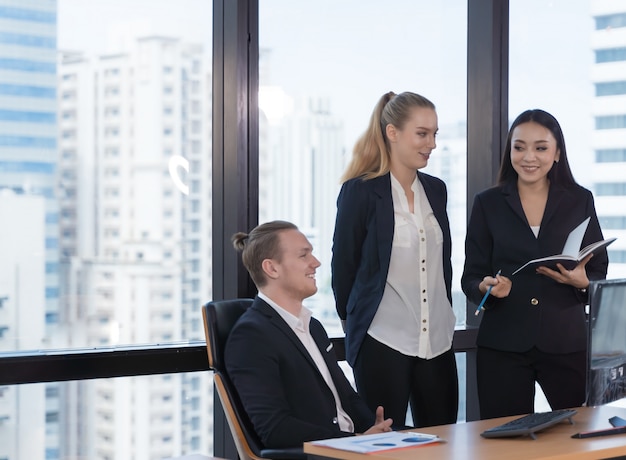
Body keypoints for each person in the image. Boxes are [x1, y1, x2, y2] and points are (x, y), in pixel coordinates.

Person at [461, 109, 609, 420]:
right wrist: (486, 287)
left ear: (557, 153)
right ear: (510, 150)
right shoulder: (487, 203)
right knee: (505, 444)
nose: (529, 156)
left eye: (541, 147)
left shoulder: (579, 200)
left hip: (566, 341)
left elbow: (598, 271)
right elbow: (471, 277)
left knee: (582, 437)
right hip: (503, 344)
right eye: (519, 147)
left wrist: (582, 283)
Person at [331, 91, 458, 428]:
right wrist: (356, 325)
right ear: (392, 133)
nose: (431, 143)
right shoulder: (360, 192)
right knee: (384, 444)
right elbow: (343, 268)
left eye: (434, 134)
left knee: (442, 441)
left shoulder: (437, 189)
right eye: (422, 133)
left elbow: (441, 264)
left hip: (438, 340)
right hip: (382, 340)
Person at [224, 220, 393, 449]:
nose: (316, 263)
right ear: (272, 268)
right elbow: (275, 429)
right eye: (304, 256)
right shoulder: (251, 336)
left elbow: (347, 399)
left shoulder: (313, 327)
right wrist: (354, 442)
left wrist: (377, 431)